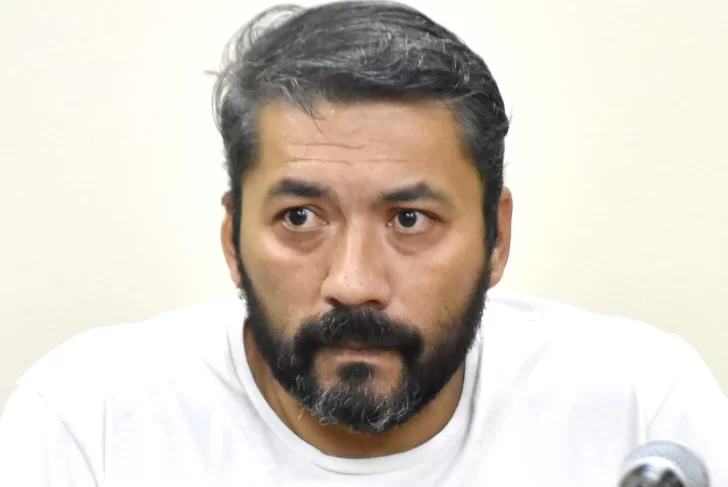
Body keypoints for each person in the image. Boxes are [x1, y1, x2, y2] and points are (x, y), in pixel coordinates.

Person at [1, 1, 726, 485]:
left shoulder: (641, 411)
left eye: (409, 219)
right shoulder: (89, 420)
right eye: (300, 218)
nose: (353, 283)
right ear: (232, 238)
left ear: (497, 236)